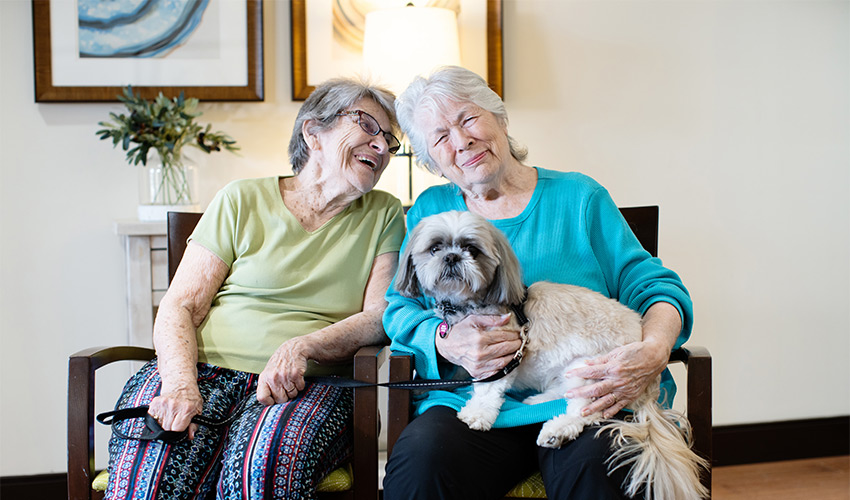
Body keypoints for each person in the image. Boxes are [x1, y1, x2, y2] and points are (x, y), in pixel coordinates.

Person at [382, 66, 694, 500]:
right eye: (440, 137)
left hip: (584, 395)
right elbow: (399, 306)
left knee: (599, 465)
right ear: (432, 161)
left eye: (469, 119)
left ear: (500, 119)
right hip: (470, 403)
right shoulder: (430, 209)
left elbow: (654, 287)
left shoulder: (579, 197)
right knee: (422, 461)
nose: (461, 140)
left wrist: (655, 348)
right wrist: (443, 339)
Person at [105, 77, 406, 500]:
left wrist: (301, 347)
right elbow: (181, 306)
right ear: (313, 131)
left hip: (306, 384)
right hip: (201, 373)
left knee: (260, 472)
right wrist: (179, 384)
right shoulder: (241, 199)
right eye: (368, 126)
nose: (381, 147)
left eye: (390, 140)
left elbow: (379, 318)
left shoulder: (385, 214)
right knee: (152, 477)